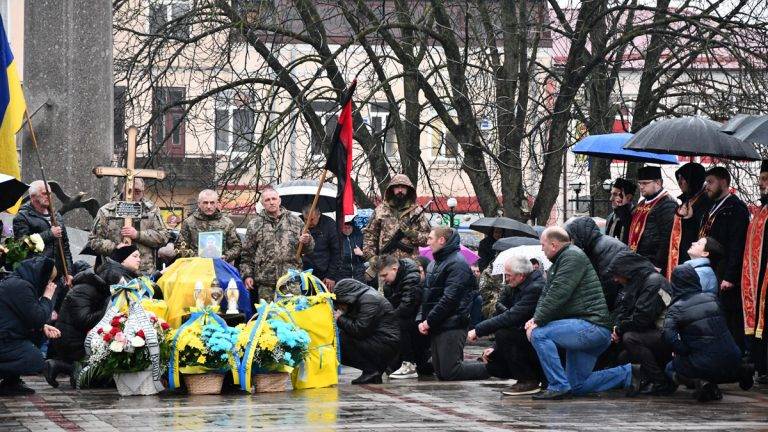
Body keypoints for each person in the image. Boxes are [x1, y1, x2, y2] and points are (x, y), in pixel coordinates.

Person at [526, 227, 638, 400]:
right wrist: (535, 319)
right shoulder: (561, 261)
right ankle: (629, 373)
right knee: (577, 386)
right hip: (588, 328)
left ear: (554, 245)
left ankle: (557, 386)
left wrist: (537, 322)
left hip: (592, 327)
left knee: (539, 334)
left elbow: (558, 293)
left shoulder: (572, 256)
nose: (542, 249)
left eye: (543, 245)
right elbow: (546, 294)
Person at [44, 245, 141, 388]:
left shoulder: (105, 282)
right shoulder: (84, 287)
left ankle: (74, 369)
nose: (139, 260)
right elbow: (84, 321)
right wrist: (109, 307)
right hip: (73, 342)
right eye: (135, 256)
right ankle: (68, 368)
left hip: (84, 338)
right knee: (107, 380)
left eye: (139, 256)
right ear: (121, 262)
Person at [664, 264, 754, 402]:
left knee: (671, 368)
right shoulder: (713, 298)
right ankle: (742, 371)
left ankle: (700, 382)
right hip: (733, 357)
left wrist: (684, 351)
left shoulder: (675, 309)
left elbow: (669, 337)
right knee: (720, 363)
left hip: (703, 363)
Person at [418, 227, 489, 381]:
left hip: (453, 323)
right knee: (441, 372)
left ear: (441, 240)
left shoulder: (457, 263)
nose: (427, 242)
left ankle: (493, 368)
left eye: (430, 238)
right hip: (438, 323)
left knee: (451, 371)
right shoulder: (434, 263)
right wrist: (425, 320)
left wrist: (429, 321)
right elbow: (428, 295)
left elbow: (450, 299)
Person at [468, 255, 545, 396]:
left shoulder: (535, 288)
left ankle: (529, 380)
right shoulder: (515, 287)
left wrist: (478, 330)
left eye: (508, 275)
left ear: (521, 276)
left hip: (535, 336)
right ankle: (524, 378)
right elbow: (501, 311)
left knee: (505, 334)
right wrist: (494, 347)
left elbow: (511, 317)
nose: (506, 279)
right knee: (493, 360)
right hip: (524, 334)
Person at [605, 251, 673, 395]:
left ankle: (660, 382)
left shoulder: (653, 283)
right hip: (653, 332)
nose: (615, 279)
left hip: (666, 334)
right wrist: (617, 327)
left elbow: (641, 319)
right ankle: (649, 378)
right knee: (623, 357)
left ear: (627, 271)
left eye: (617, 274)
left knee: (630, 338)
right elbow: (625, 309)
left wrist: (619, 330)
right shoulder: (638, 283)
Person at [699, 167, 749, 350]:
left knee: (729, 317)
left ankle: (735, 355)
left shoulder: (736, 208)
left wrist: (730, 276)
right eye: (706, 182)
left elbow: (737, 245)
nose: (707, 186)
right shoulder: (710, 206)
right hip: (709, 268)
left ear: (724, 182)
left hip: (724, 272)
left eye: (711, 182)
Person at [0, 256, 61, 395]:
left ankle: (11, 382)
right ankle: (9, 380)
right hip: (5, 338)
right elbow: (38, 318)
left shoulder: (19, 283)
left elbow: (26, 316)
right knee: (35, 360)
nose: (49, 284)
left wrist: (43, 327)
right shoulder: (21, 287)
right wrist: (47, 297)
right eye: (49, 280)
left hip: (8, 334)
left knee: (36, 337)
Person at [240, 187, 313, 301]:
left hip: (290, 281)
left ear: (279, 201)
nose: (271, 202)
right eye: (267, 200)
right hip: (266, 283)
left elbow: (309, 249)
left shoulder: (295, 221)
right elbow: (247, 254)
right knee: (269, 317)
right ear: (263, 203)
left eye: (274, 199)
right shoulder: (255, 224)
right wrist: (247, 275)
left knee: (291, 316)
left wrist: (307, 241)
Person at [87, 178, 169, 273]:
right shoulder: (106, 211)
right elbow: (94, 241)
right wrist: (115, 248)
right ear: (123, 189)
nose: (133, 195)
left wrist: (138, 235)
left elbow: (163, 237)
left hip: (143, 272)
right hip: (113, 271)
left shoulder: (151, 211)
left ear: (143, 191)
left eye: (138, 191)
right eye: (130, 191)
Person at [333, 278, 399, 384]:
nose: (339, 307)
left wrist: (340, 318)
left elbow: (360, 330)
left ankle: (371, 370)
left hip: (385, 343)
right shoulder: (365, 297)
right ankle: (372, 372)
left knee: (340, 342)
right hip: (381, 340)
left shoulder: (369, 300)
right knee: (341, 339)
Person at [13, 180, 74, 288]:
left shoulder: (57, 216)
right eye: (45, 193)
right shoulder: (22, 217)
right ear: (33, 196)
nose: (49, 196)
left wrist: (68, 272)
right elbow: (22, 246)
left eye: (50, 193)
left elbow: (65, 247)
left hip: (58, 278)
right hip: (36, 275)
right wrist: (49, 234)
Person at [376, 255, 428, 379]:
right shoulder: (392, 281)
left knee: (398, 323)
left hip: (418, 317)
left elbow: (407, 307)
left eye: (384, 275)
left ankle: (409, 363)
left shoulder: (411, 277)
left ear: (394, 269)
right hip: (409, 315)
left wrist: (388, 317)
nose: (383, 279)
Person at [565, 216, 629, 312]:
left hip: (621, 303)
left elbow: (609, 286)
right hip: (620, 300)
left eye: (572, 238)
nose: (572, 243)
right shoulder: (594, 247)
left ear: (580, 235)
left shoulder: (603, 248)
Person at [362, 174, 431, 263]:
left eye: (403, 187)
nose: (400, 190)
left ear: (408, 189)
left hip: (410, 264)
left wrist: (412, 234)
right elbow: (370, 235)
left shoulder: (416, 212)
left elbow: (428, 239)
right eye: (397, 187)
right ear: (392, 189)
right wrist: (371, 258)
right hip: (386, 263)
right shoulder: (380, 210)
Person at [742, 160, 768, 382]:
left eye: (766, 180)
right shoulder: (762, 210)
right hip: (756, 277)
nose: (761, 184)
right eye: (760, 179)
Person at [627, 166, 677, 274]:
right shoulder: (642, 203)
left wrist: (658, 264)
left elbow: (667, 237)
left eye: (645, 183)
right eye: (640, 183)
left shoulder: (667, 204)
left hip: (653, 263)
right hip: (638, 258)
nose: (641, 187)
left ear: (658, 183)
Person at [666, 163, 712, 278]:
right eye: (679, 178)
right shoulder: (685, 200)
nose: (680, 182)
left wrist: (689, 219)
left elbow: (700, 232)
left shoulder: (704, 201)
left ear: (693, 180)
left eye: (683, 178)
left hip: (691, 258)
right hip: (675, 255)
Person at [177, 189, 242, 263]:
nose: (208, 206)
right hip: (196, 268)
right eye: (205, 203)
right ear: (199, 204)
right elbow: (181, 246)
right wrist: (194, 257)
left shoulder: (227, 223)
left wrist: (226, 256)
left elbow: (237, 245)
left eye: (212, 203)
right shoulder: (189, 222)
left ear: (217, 204)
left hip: (220, 267)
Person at [301, 206, 340, 290]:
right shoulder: (298, 222)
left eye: (311, 219)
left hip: (324, 272)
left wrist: (331, 276)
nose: (308, 222)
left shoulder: (329, 224)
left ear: (319, 215)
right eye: (305, 219)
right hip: (303, 271)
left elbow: (336, 252)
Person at [605, 178, 636, 244]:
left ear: (628, 197)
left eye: (615, 194)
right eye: (611, 194)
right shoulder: (610, 217)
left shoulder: (636, 218)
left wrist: (623, 209)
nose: (611, 199)